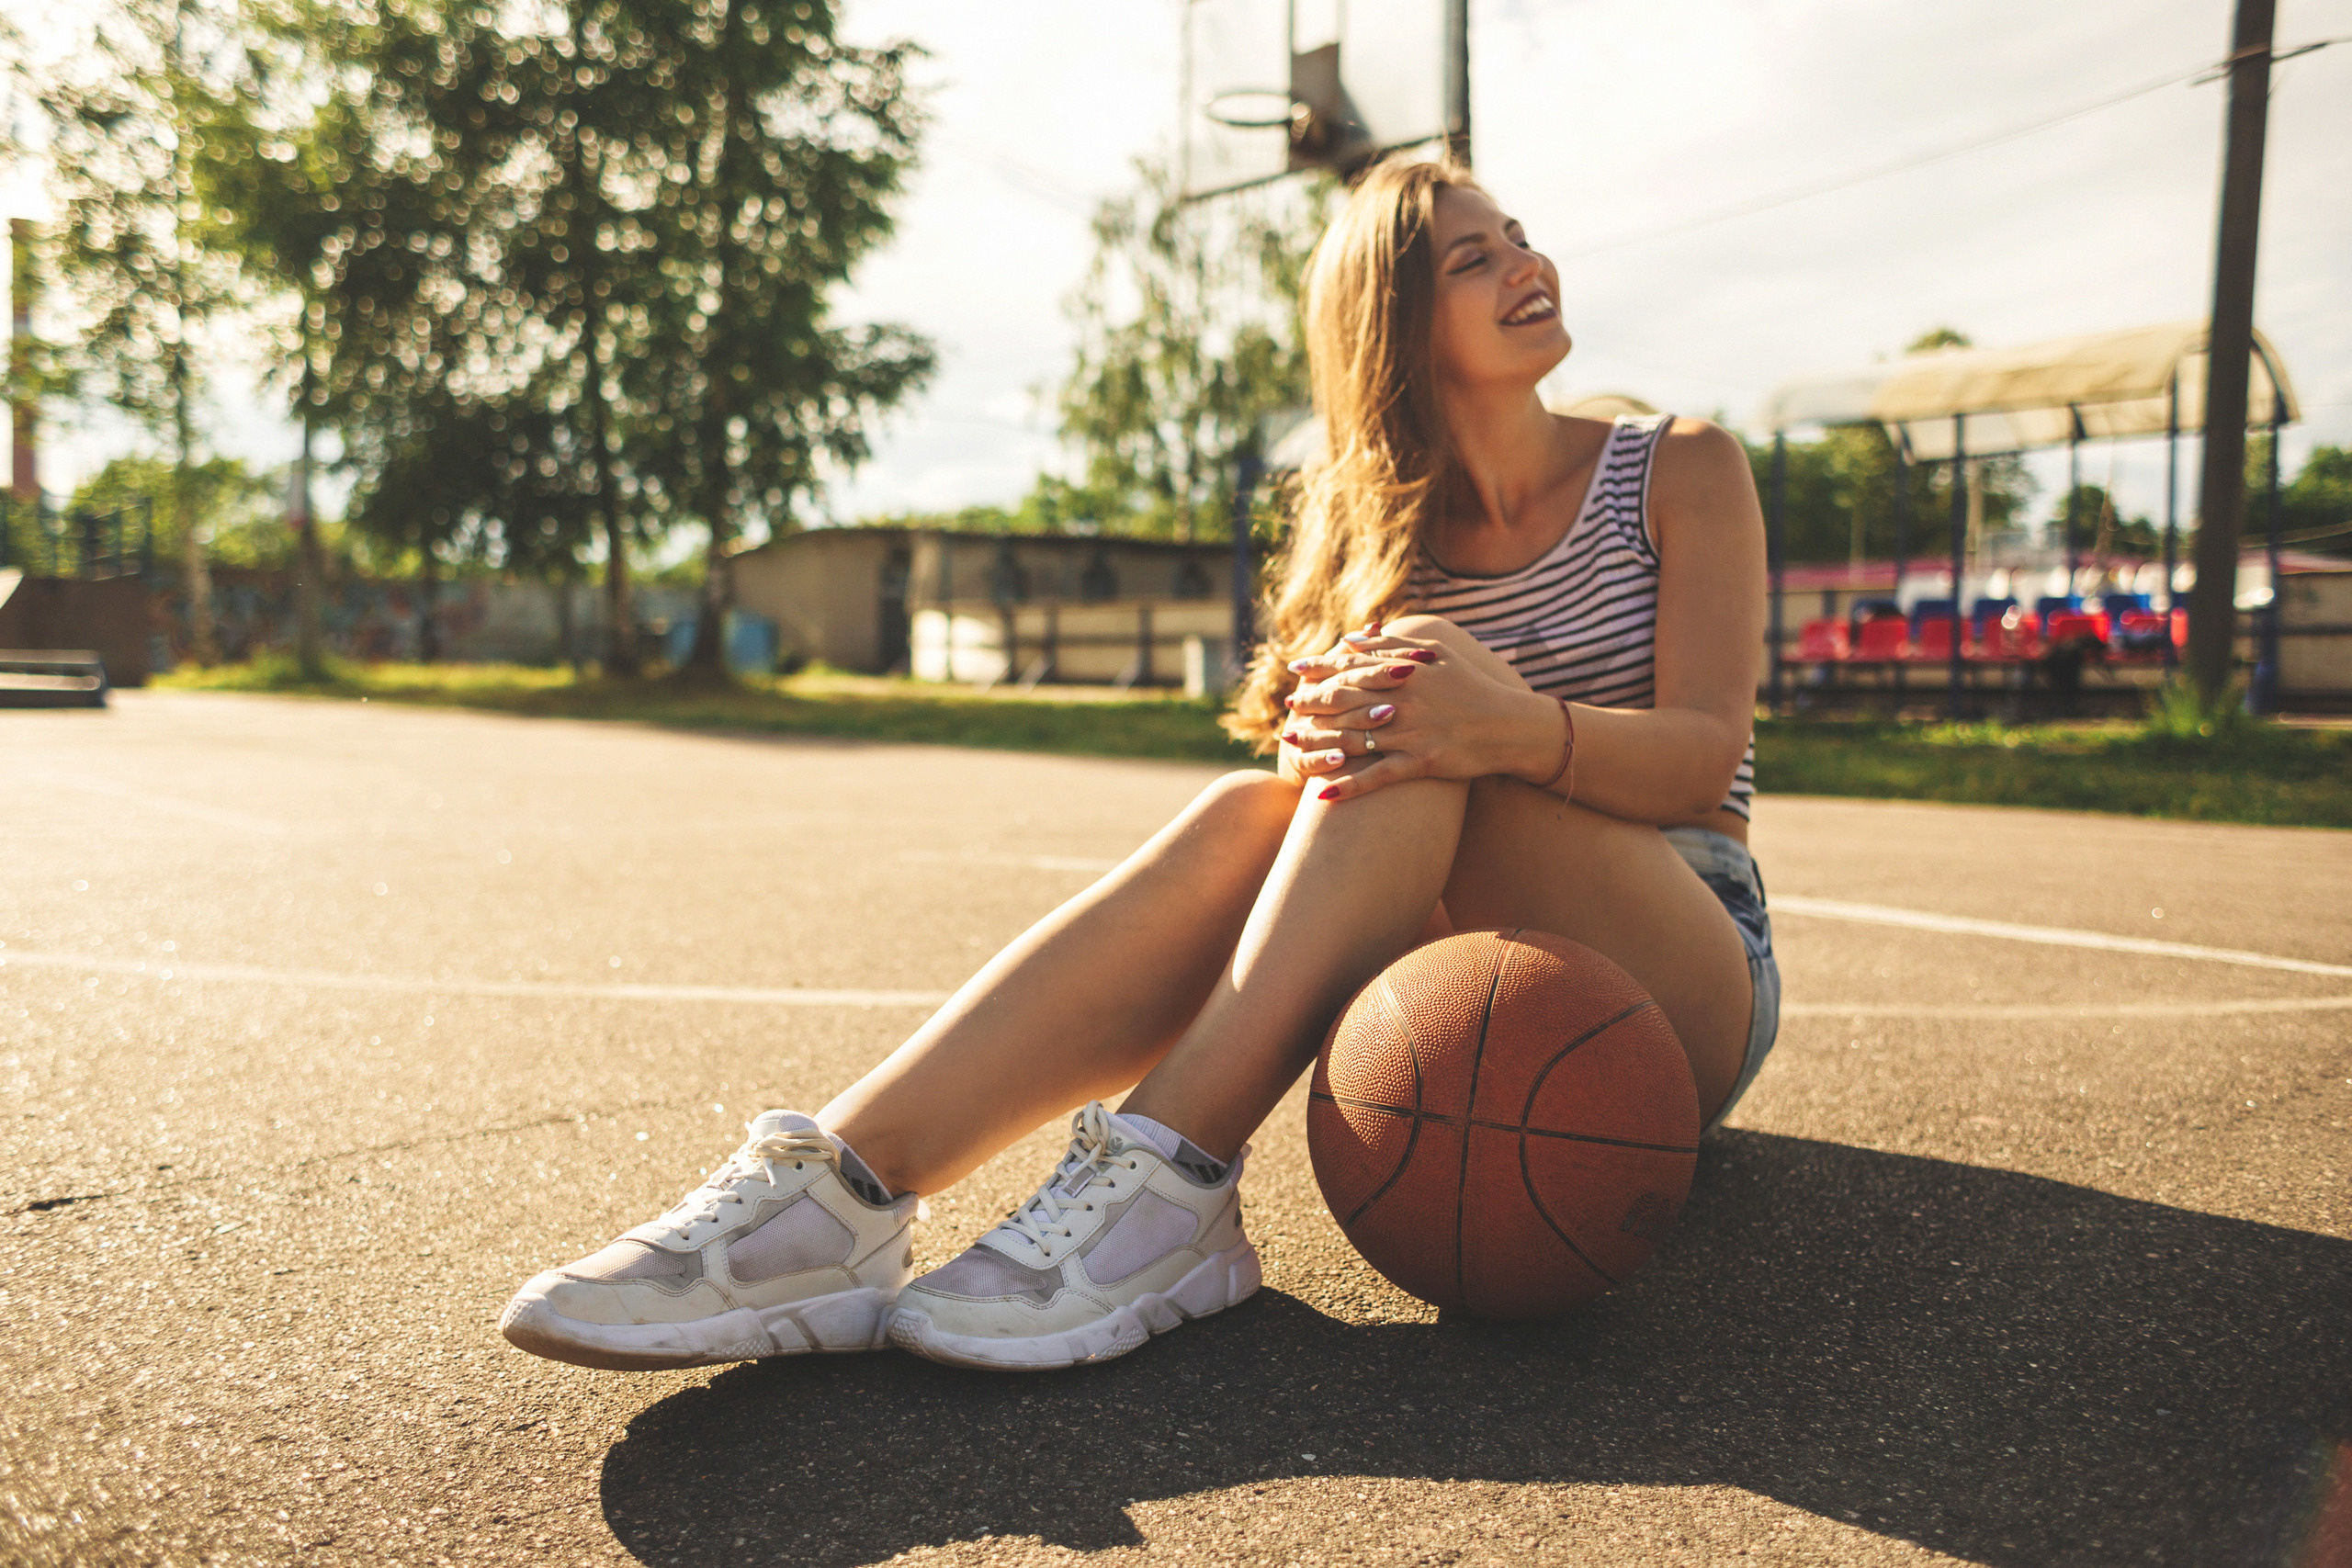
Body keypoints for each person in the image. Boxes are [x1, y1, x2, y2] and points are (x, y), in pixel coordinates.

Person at [498, 157, 1774, 1375]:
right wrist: (1350, 733)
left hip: (1682, 956)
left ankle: (1172, 1181)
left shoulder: (1677, 468)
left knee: (1418, 706)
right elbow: (1326, 809)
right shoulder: (1374, 536)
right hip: (1465, 968)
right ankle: (840, 1193)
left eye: (1519, 239)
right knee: (1253, 804)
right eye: (1472, 260)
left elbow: (1704, 760)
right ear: (1392, 324)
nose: (1524, 265)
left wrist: (1497, 727)